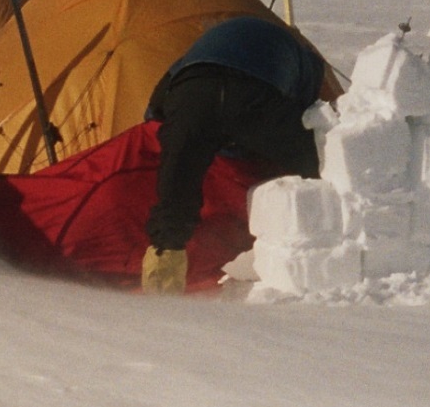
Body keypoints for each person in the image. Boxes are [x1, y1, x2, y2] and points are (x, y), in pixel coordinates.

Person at [140, 15, 327, 294]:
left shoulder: (195, 52)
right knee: (313, 169)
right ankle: (318, 247)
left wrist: (185, 142)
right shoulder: (303, 58)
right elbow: (304, 115)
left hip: (193, 92)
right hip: (256, 93)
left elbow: (155, 109)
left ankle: (162, 279)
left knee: (175, 195)